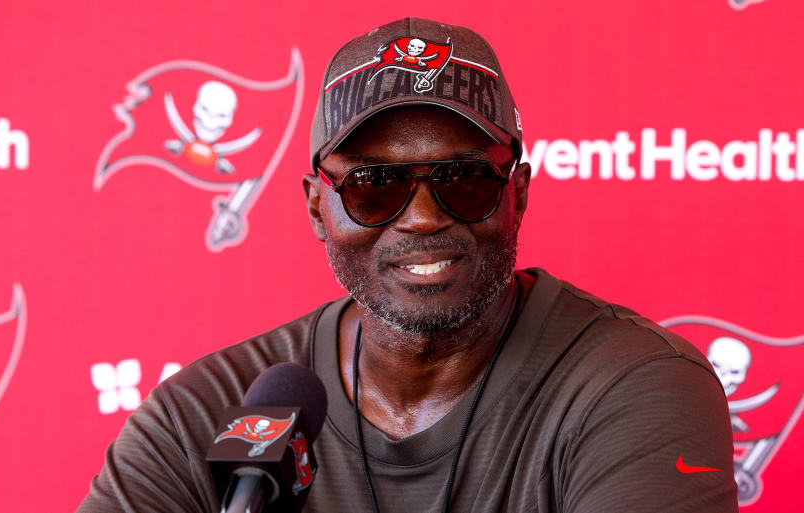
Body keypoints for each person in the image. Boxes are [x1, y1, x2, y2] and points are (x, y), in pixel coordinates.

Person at [78, 17, 738, 513]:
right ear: (316, 207)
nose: (422, 217)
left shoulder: (632, 388)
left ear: (520, 192)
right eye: (374, 185)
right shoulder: (207, 411)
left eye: (463, 177)